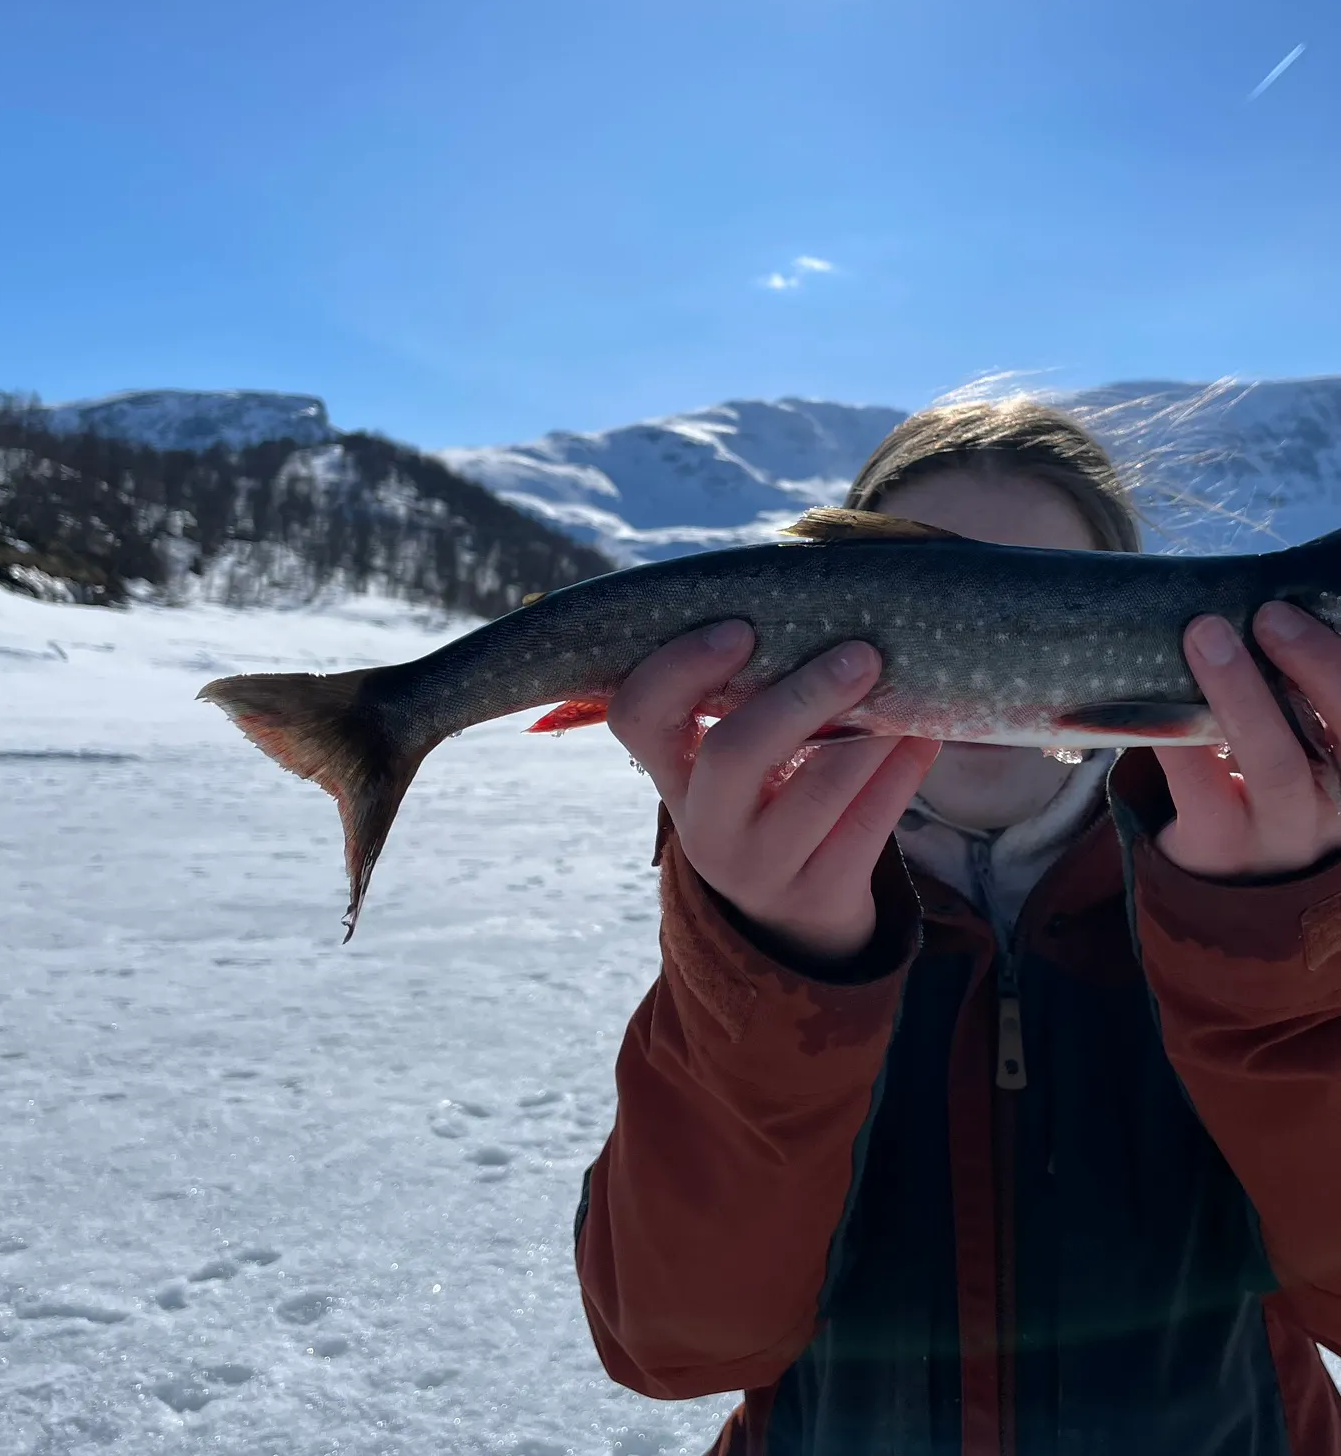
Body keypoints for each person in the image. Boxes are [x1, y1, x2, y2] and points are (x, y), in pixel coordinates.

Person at [573, 400, 1341, 1455]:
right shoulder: (754, 936)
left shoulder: (1282, 911)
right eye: (929, 597)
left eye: (1039, 599)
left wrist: (1285, 959)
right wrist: (768, 977)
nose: (993, 636)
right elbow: (674, 1341)